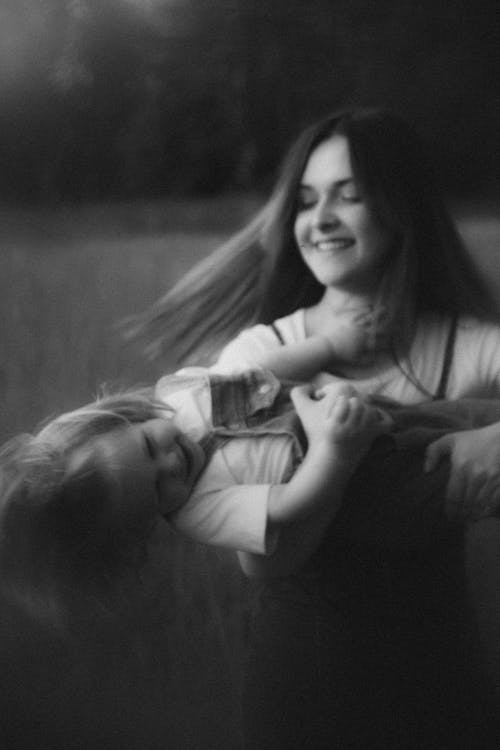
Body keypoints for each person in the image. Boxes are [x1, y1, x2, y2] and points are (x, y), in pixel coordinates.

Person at [128, 106, 500, 748]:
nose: (319, 220)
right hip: (306, 684)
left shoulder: (471, 348)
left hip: (440, 676)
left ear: (401, 208)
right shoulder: (262, 354)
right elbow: (266, 560)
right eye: (304, 201)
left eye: (348, 196)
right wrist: (338, 445)